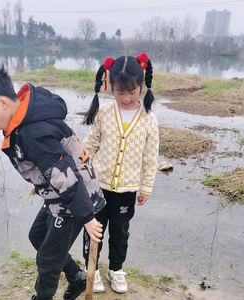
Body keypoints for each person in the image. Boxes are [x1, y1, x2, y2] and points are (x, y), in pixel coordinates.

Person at [0, 65, 106, 300]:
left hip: (75, 200)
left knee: (48, 260)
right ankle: (76, 277)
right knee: (37, 237)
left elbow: (66, 176)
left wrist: (87, 218)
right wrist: (39, 184)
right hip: (58, 191)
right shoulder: (22, 119)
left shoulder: (32, 133)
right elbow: (50, 162)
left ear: (2, 103)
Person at [82, 53, 159, 294]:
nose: (126, 98)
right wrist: (81, 177)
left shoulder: (149, 119)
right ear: (110, 87)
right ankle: (91, 269)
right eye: (119, 92)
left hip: (126, 191)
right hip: (97, 187)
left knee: (120, 231)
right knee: (95, 231)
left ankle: (115, 269)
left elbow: (150, 157)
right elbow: (89, 147)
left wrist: (146, 188)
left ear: (142, 85)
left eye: (132, 91)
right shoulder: (104, 113)